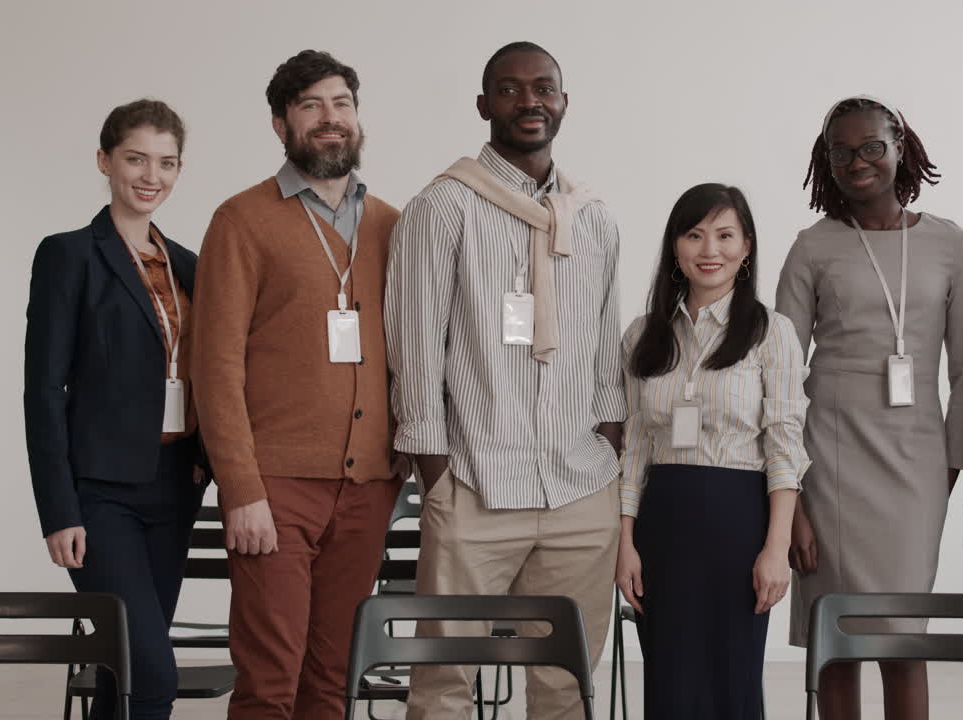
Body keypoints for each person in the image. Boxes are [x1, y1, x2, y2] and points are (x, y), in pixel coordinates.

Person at [385, 41, 624, 719]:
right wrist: (438, 477)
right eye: (510, 89)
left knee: (567, 685)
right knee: (444, 685)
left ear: (564, 103)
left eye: (543, 88)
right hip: (475, 484)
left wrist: (605, 450)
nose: (529, 102)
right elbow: (415, 348)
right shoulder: (442, 206)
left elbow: (605, 356)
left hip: (580, 491)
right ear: (483, 105)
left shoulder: (593, 218)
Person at [190, 50, 407, 720]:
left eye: (341, 104)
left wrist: (400, 466)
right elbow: (215, 366)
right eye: (311, 106)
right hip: (275, 487)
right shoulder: (242, 220)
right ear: (281, 124)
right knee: (270, 681)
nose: (329, 118)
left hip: (368, 487)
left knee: (334, 678)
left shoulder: (392, 224)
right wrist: (241, 489)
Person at [776, 95, 963, 720]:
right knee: (837, 640)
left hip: (917, 471)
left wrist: (948, 471)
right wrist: (791, 495)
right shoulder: (812, 247)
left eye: (871, 147)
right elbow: (778, 378)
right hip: (829, 466)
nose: (857, 162)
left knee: (903, 639)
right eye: (840, 152)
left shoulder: (950, 244)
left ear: (900, 147)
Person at [24, 98, 206, 720]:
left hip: (174, 486)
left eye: (166, 162)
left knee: (120, 673)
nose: (151, 176)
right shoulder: (68, 255)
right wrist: (59, 511)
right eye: (136, 159)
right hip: (101, 496)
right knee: (152, 675)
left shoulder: (189, 266)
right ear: (104, 161)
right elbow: (43, 390)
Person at [615, 183, 808, 718]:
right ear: (675, 247)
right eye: (694, 235)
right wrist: (624, 542)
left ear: (746, 247)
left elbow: (785, 446)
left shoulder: (771, 333)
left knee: (732, 679)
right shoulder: (642, 336)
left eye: (725, 236)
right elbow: (634, 446)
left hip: (737, 523)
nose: (709, 250)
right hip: (662, 525)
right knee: (670, 680)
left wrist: (776, 548)